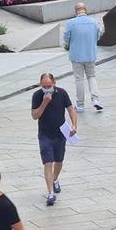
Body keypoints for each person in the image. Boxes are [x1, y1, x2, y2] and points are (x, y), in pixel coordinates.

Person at [31, 73, 77, 206]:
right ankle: (50, 193)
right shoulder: (37, 96)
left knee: (59, 160)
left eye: (49, 86)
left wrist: (74, 125)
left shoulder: (62, 93)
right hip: (44, 134)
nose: (47, 89)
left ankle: (55, 179)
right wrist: (44, 102)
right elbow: (35, 115)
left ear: (54, 83)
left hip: (61, 133)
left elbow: (71, 110)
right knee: (47, 162)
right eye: (44, 86)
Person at [63, 3, 103, 113]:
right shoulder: (94, 22)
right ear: (85, 10)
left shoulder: (71, 23)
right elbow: (98, 36)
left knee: (79, 79)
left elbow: (66, 38)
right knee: (91, 76)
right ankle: (96, 100)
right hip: (90, 54)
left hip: (76, 55)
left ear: (76, 11)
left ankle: (80, 105)